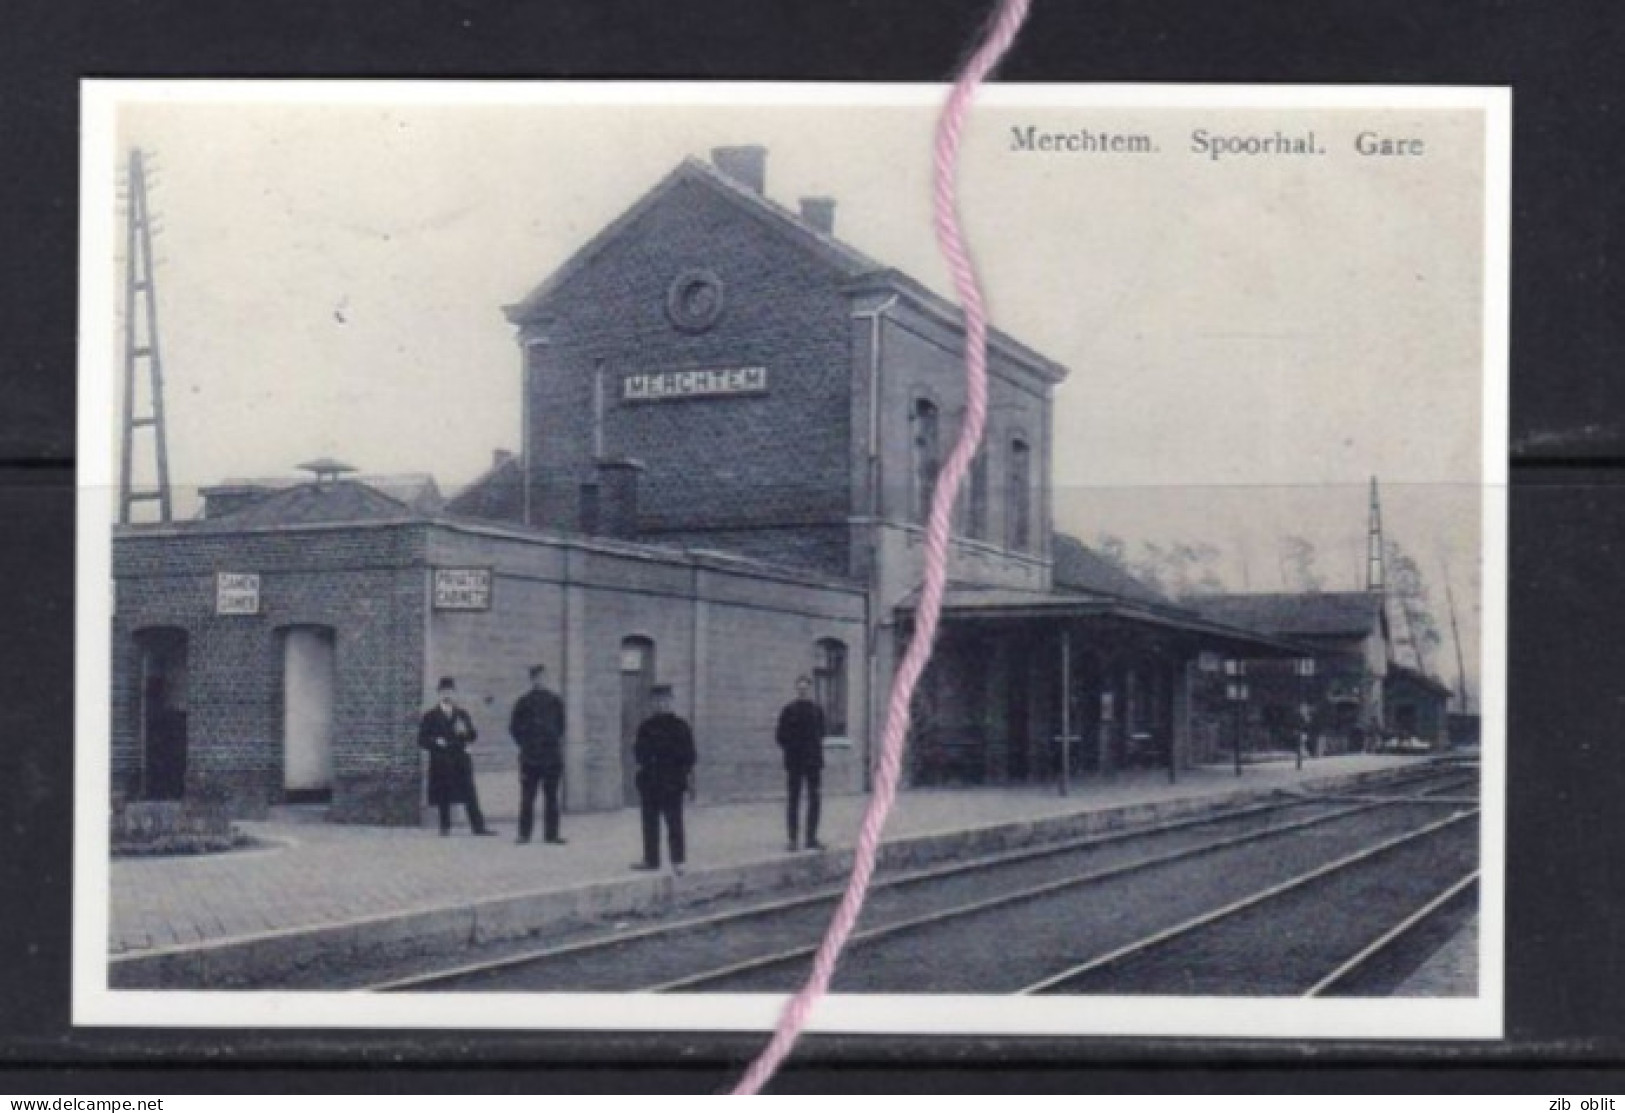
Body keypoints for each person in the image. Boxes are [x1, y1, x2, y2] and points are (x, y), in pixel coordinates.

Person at [630, 683, 696, 875]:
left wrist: (681, 773)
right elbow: (638, 753)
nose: (661, 705)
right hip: (650, 781)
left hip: (672, 782)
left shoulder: (681, 727)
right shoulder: (646, 727)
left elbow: (690, 755)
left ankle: (678, 860)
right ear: (652, 703)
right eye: (657, 701)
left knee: (674, 821)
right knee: (649, 821)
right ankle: (651, 859)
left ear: (672, 702)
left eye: (665, 701)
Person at [418, 677, 496, 837]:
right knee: (443, 793)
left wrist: (465, 732)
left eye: (450, 692)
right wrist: (436, 741)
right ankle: (445, 826)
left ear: (454, 694)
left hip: (460, 759)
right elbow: (422, 739)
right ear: (439, 694)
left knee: (469, 793)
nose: (447, 695)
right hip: (441, 760)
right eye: (444, 692)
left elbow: (473, 736)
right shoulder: (430, 716)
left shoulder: (462, 714)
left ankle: (478, 827)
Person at [510, 663, 567, 845]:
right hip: (530, 757)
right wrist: (526, 744)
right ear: (532, 679)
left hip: (551, 757)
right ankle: (524, 834)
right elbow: (514, 728)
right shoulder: (523, 702)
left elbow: (561, 726)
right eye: (536, 677)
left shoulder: (555, 701)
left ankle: (551, 834)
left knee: (551, 797)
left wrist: (551, 741)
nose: (540, 680)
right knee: (527, 797)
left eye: (543, 677)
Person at [775, 674, 826, 852]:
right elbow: (780, 736)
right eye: (800, 688)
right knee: (793, 800)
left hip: (813, 762)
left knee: (814, 799)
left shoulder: (817, 711)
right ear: (797, 690)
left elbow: (822, 733)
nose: (803, 691)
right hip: (795, 762)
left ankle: (811, 837)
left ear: (811, 690)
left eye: (806, 688)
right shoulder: (789, 711)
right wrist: (792, 748)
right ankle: (793, 839)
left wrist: (813, 750)